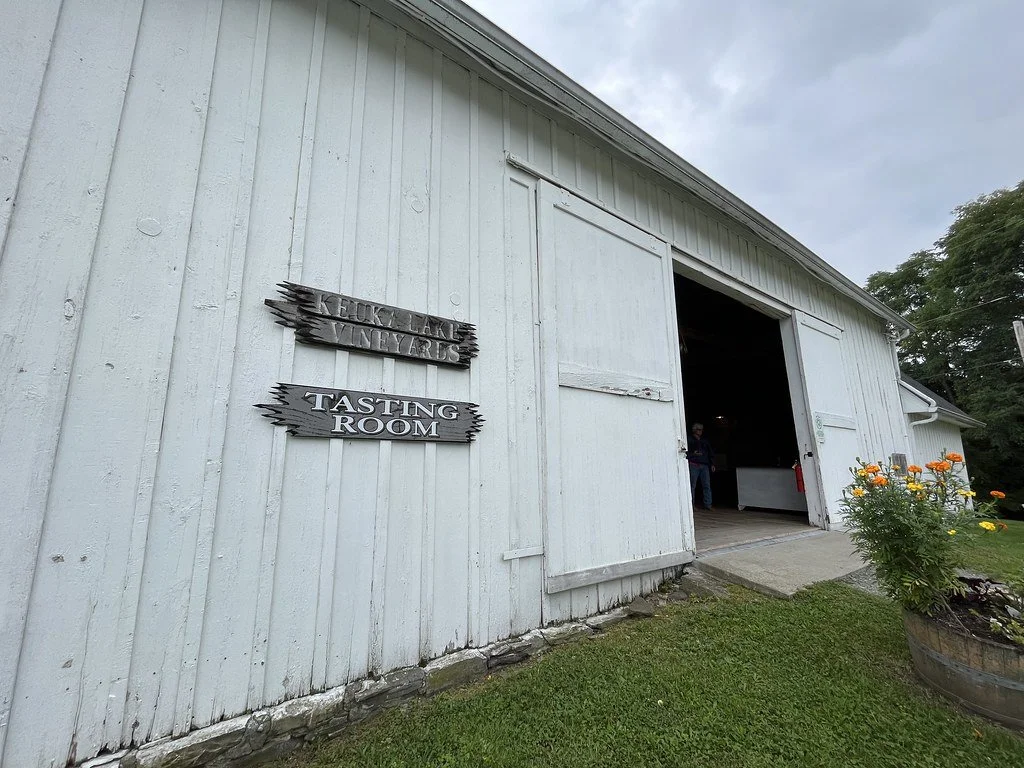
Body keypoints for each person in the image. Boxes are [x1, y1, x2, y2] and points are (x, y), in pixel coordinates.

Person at [687, 422, 715, 510]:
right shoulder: (689, 440)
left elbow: (710, 452)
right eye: (698, 429)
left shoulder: (704, 441)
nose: (700, 431)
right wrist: (693, 454)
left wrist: (712, 463)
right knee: (692, 485)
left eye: (701, 430)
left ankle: (708, 504)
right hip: (693, 464)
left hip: (704, 465)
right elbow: (686, 452)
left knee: (706, 485)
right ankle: (691, 505)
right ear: (694, 430)